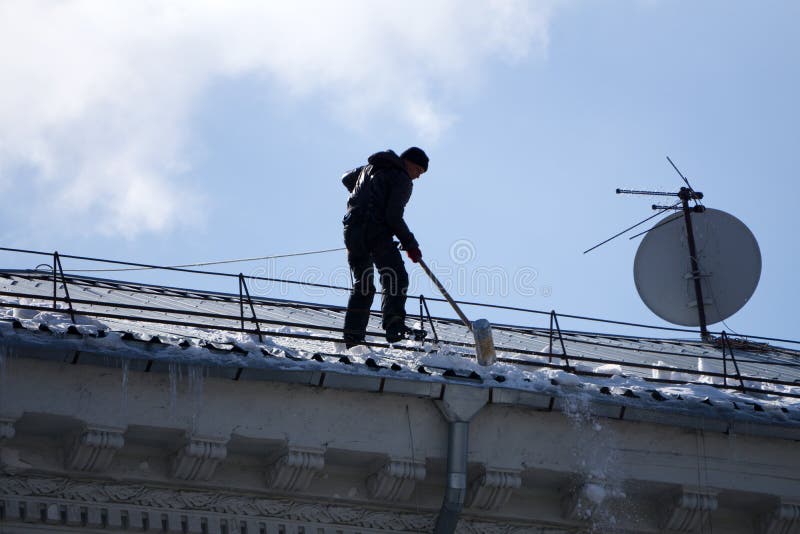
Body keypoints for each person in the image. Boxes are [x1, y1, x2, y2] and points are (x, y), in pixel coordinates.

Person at [341, 147, 429, 347]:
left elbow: (346, 178)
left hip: (352, 231)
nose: (417, 177)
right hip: (376, 233)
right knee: (396, 277)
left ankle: (353, 337)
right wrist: (410, 245)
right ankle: (394, 325)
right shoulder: (402, 179)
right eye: (418, 170)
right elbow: (393, 216)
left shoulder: (369, 168)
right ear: (408, 162)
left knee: (363, 284)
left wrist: (363, 196)